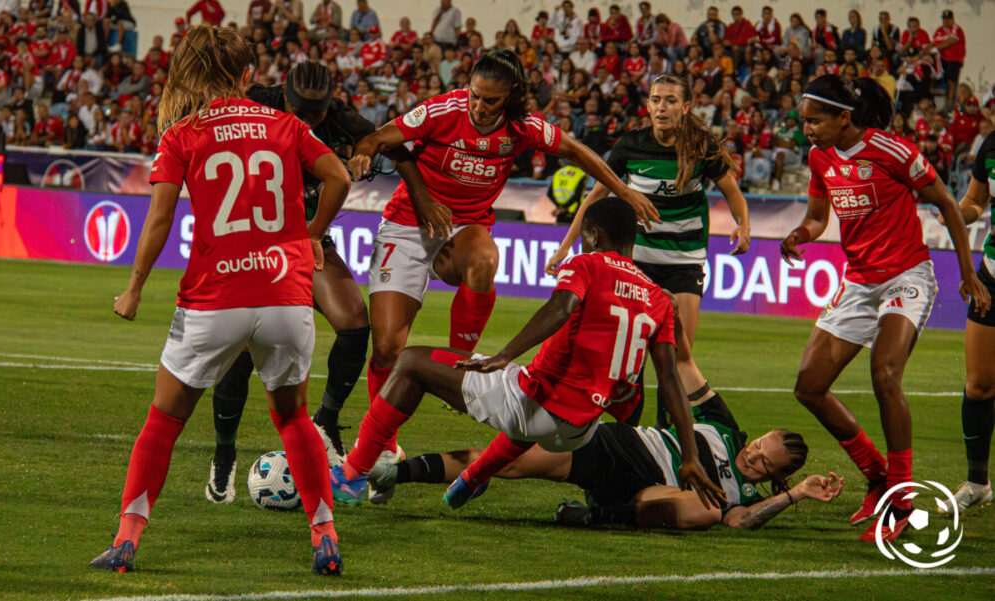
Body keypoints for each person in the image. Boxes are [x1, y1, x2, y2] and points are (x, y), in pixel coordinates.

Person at [90, 25, 351, 575]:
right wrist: (311, 235)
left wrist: (134, 287)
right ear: (246, 75)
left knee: (163, 421)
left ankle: (126, 540)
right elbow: (339, 176)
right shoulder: (286, 123)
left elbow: (160, 217)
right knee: (294, 418)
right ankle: (324, 536)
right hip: (284, 295)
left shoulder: (183, 133)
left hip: (215, 299)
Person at [345, 50, 660, 498]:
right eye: (474, 95)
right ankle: (383, 449)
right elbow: (378, 139)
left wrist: (624, 190)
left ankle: (459, 360)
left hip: (466, 229)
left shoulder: (523, 129)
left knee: (486, 258)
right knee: (388, 349)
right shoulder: (441, 110)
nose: (477, 106)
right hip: (408, 225)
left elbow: (575, 150)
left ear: (509, 98)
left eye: (489, 100)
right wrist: (361, 155)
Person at [329, 197, 725, 512]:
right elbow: (670, 379)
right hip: (581, 429)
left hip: (534, 403)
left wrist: (504, 355)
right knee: (534, 404)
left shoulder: (587, 263)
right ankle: (473, 478)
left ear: (594, 235)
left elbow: (561, 307)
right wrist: (689, 455)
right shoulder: (658, 298)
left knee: (411, 362)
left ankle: (351, 474)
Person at [203, 61, 431, 503]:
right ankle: (224, 453)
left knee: (354, 322)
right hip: (254, 240)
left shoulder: (342, 119)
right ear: (281, 94)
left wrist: (366, 151)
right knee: (247, 343)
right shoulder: (252, 104)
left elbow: (396, 147)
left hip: (309, 238)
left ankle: (326, 421)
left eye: (316, 114)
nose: (307, 120)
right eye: (299, 110)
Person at [779, 75, 990, 543]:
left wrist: (968, 273)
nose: (807, 130)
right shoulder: (820, 157)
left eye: (815, 121)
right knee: (809, 386)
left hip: (907, 276)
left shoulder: (893, 151)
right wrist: (802, 234)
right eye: (803, 121)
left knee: (885, 375)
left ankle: (900, 497)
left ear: (843, 118)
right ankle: (876, 476)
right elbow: (818, 216)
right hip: (857, 281)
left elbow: (949, 207)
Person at [546, 73, 750, 429]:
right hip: (637, 263)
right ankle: (628, 435)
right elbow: (595, 197)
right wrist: (565, 247)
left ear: (685, 107)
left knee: (674, 353)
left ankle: (668, 436)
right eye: (656, 100)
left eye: (670, 100)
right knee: (631, 356)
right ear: (648, 105)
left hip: (684, 263)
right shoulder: (630, 145)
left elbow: (732, 191)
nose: (661, 107)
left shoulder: (703, 146)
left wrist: (743, 223)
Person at [377, 383, 840, 531]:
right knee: (506, 461)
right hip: (619, 447)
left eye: (765, 464)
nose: (753, 456)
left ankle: (594, 515)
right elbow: (684, 368)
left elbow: (740, 522)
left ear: (777, 476)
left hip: (647, 493)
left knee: (710, 510)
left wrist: (796, 496)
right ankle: (394, 472)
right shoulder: (722, 424)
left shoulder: (743, 496)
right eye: (758, 445)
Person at [941, 129, 995, 511]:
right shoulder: (991, 143)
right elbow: (977, 200)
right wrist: (957, 212)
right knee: (977, 386)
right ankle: (978, 485)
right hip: (992, 276)